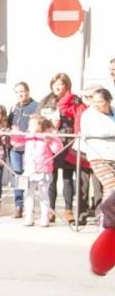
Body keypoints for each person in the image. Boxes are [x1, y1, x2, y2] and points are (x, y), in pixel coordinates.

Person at [39, 72, 89, 224]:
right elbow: (38, 118)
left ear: (67, 85)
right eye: (55, 84)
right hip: (51, 141)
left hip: (68, 140)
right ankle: (51, 210)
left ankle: (68, 209)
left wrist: (75, 136)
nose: (57, 87)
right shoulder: (47, 100)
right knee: (51, 178)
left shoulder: (74, 100)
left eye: (61, 84)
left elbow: (80, 117)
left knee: (68, 178)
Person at [10, 115, 62, 227]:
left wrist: (52, 139)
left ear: (40, 125)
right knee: (28, 194)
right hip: (29, 170)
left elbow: (57, 149)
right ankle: (28, 216)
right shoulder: (28, 136)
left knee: (44, 195)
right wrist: (15, 133)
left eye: (33, 124)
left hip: (43, 170)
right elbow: (16, 143)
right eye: (29, 124)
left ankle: (44, 217)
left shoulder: (46, 136)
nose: (30, 127)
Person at [79, 88, 115, 217]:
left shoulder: (113, 111)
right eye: (94, 101)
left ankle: (107, 219)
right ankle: (106, 219)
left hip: (113, 155)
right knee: (111, 188)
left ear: (109, 100)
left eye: (100, 101)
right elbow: (92, 131)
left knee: (109, 190)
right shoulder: (88, 114)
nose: (96, 104)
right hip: (98, 155)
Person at [7, 82, 39, 219]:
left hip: (29, 146)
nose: (21, 94)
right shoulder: (14, 108)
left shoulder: (35, 106)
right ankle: (18, 205)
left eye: (23, 91)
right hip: (15, 148)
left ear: (28, 91)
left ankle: (29, 205)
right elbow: (8, 124)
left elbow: (38, 124)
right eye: (18, 92)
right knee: (17, 174)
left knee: (29, 175)